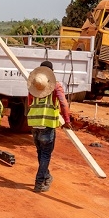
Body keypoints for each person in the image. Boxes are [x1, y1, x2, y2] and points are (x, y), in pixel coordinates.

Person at [27, 61, 72, 193]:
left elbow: (29, 103)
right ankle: (39, 182)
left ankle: (46, 176)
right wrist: (67, 121)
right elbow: (63, 104)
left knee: (41, 153)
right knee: (45, 154)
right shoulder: (56, 86)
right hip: (47, 125)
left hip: (35, 125)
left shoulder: (33, 86)